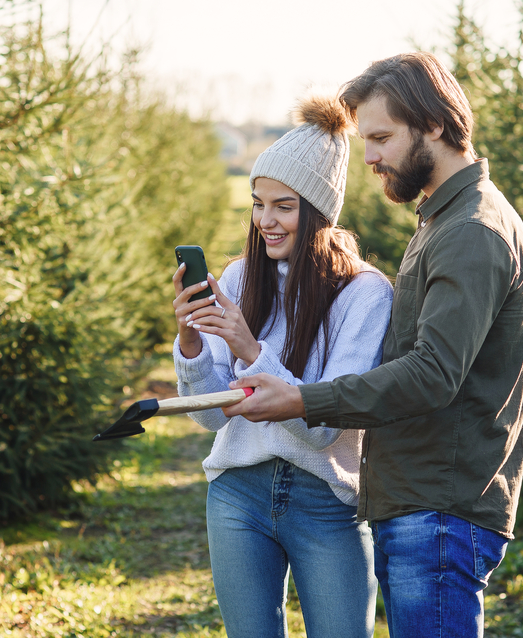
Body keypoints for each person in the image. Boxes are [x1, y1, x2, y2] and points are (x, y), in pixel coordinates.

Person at [223, 52, 523, 638]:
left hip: (439, 509)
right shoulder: (443, 220)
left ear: (435, 125)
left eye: (382, 138)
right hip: (418, 504)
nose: (369, 157)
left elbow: (431, 373)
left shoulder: (471, 230)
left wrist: (300, 401)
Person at [171, 92, 393, 638]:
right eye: (257, 202)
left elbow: (324, 428)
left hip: (326, 501)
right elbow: (210, 418)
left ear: (318, 211)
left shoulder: (365, 295)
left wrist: (251, 349)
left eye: (284, 206)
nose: (265, 221)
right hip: (237, 494)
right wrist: (190, 339)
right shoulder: (240, 279)